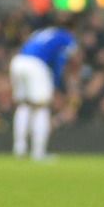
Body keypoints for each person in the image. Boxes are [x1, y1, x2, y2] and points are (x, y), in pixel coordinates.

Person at [12, 24, 77, 161]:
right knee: (42, 108)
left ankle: (19, 149)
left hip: (18, 61)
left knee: (24, 105)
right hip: (36, 65)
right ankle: (38, 153)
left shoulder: (40, 32)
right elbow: (61, 60)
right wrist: (56, 84)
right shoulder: (67, 37)